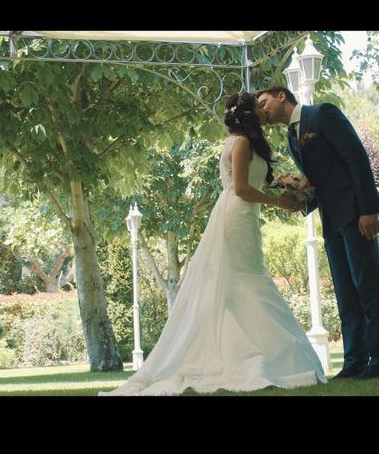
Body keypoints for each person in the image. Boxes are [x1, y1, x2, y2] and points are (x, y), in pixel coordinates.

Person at [98, 91, 326, 396]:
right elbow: (242, 188)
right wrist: (278, 202)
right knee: (248, 281)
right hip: (237, 214)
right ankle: (250, 358)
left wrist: (289, 186)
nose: (263, 110)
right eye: (257, 107)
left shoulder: (242, 141)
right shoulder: (242, 142)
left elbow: (251, 182)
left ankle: (244, 352)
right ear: (248, 113)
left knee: (240, 285)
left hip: (242, 215)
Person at [255, 86, 379, 380]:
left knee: (368, 286)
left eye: (264, 102)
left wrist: (369, 209)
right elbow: (322, 178)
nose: (262, 110)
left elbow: (356, 158)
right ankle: (355, 361)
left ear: (282, 96)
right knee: (345, 292)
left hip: (357, 213)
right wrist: (299, 192)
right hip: (331, 219)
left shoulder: (322, 114)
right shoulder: (292, 137)